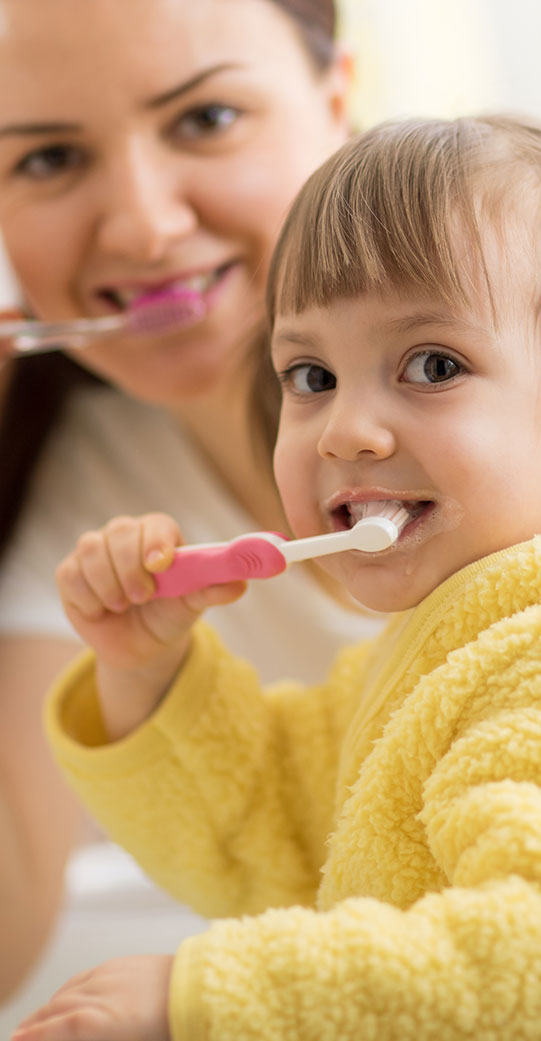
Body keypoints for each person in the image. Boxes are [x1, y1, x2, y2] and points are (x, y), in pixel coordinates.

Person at [13, 114, 541, 1040]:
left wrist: (214, 999)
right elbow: (284, 832)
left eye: (432, 366)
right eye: (310, 375)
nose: (346, 429)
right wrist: (146, 674)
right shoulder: (464, 645)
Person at [0, 0, 393, 1011]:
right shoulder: (96, 477)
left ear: (337, 99)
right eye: (45, 160)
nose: (141, 224)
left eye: (205, 120)